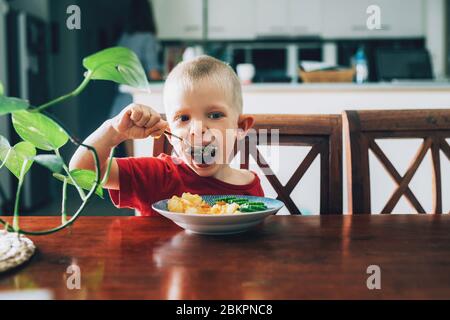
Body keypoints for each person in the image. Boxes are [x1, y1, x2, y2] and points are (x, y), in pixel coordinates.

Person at [69, 56, 264, 216]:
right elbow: (81, 170)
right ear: (169, 134)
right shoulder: (156, 175)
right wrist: (114, 130)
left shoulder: (249, 188)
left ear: (240, 127)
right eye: (184, 118)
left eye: (214, 115)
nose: (197, 129)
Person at [110, 0, 162, 156]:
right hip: (138, 98)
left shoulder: (124, 38)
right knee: (140, 147)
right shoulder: (147, 37)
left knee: (126, 141)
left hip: (120, 97)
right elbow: (154, 74)